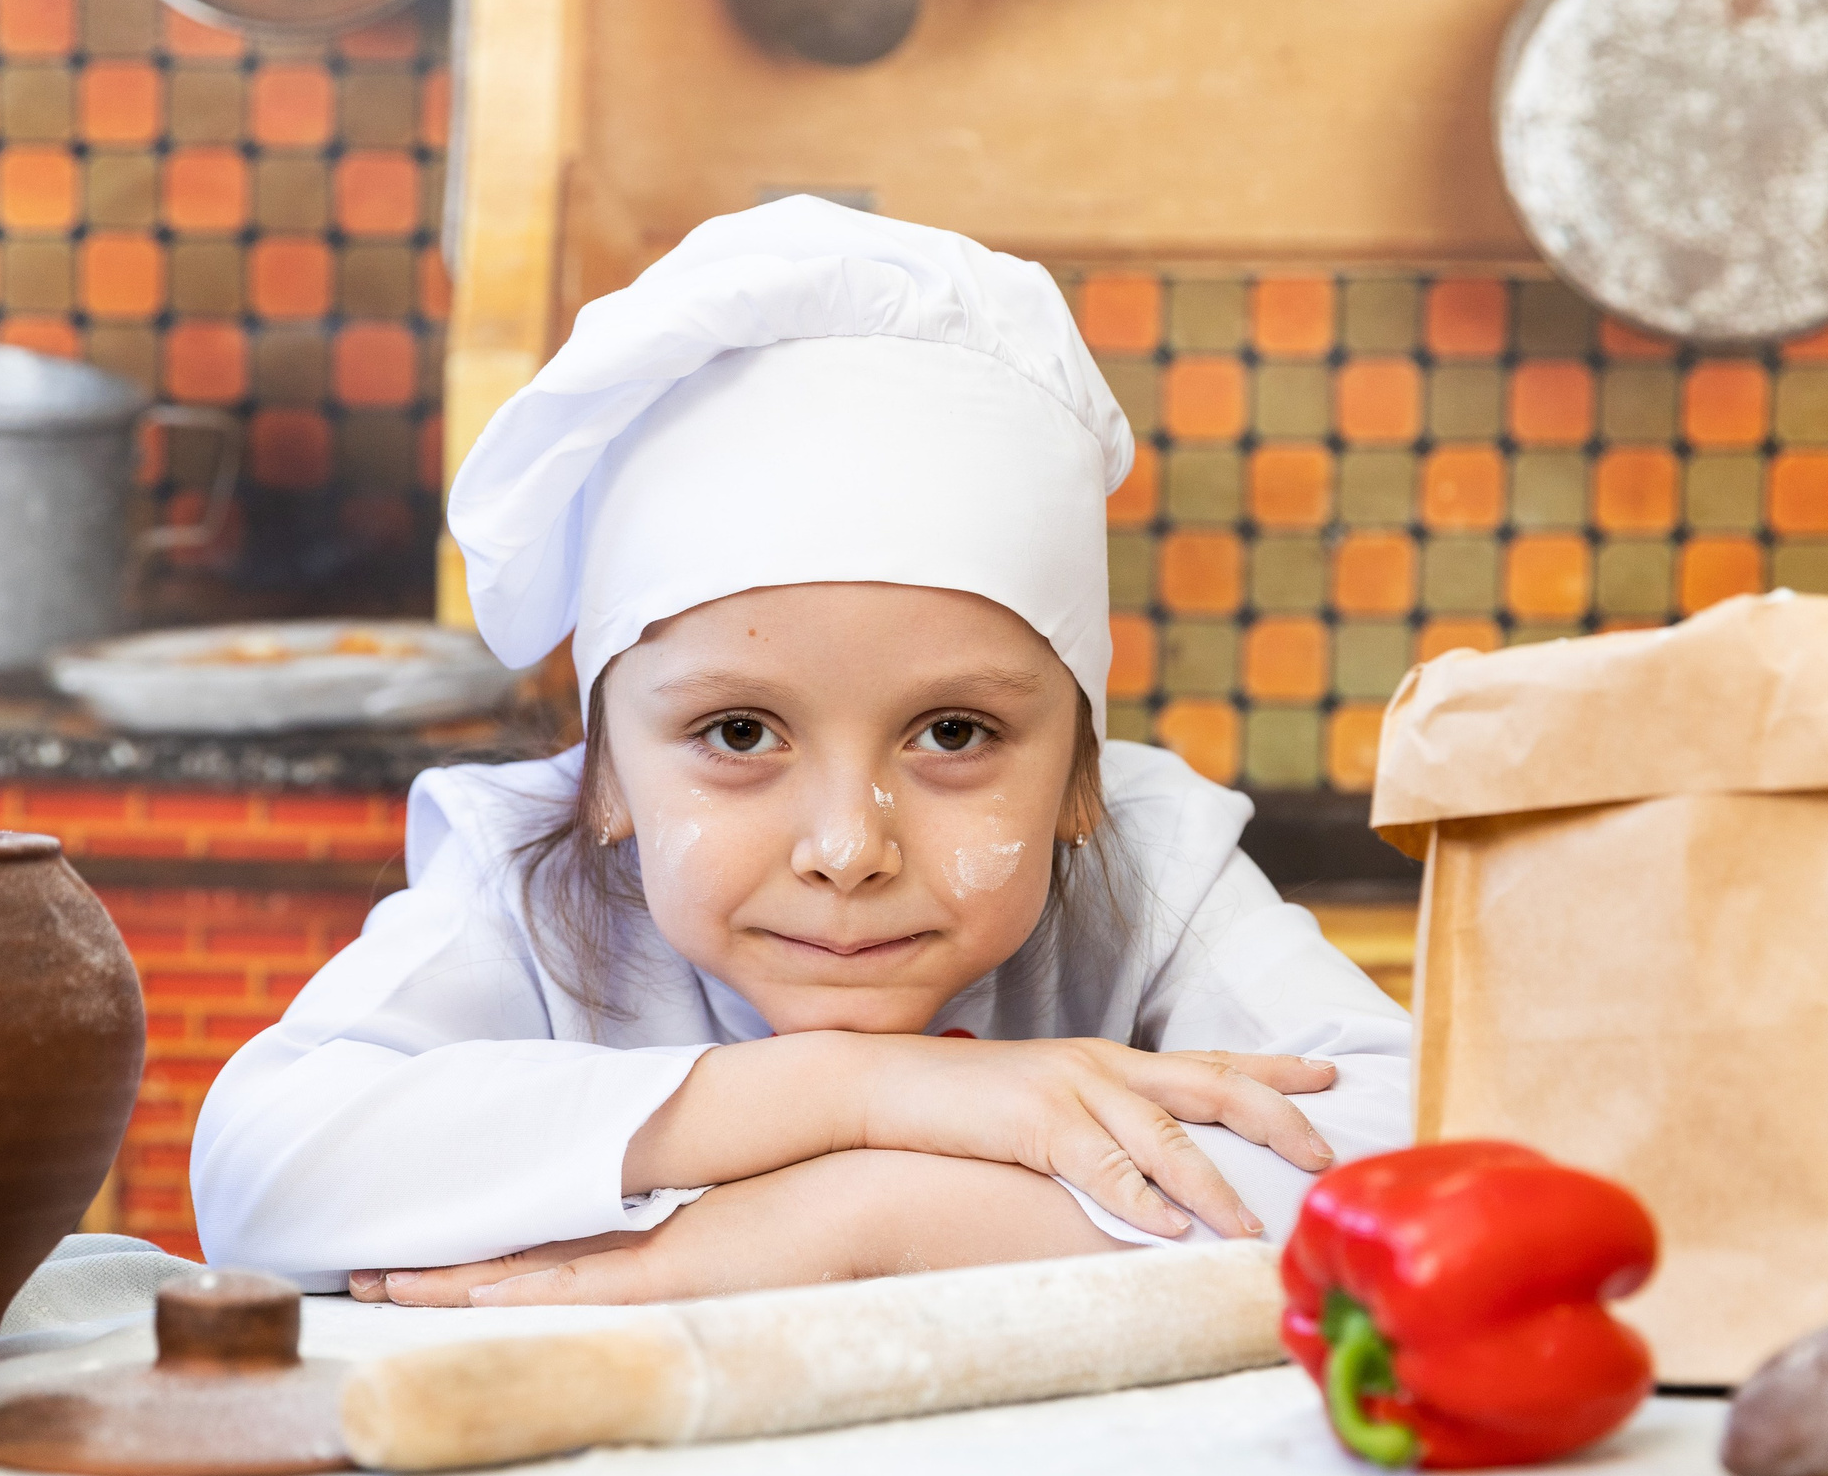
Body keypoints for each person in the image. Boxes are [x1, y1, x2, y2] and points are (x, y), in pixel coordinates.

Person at [191, 198, 1412, 1306]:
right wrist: (856, 1090)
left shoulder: (1151, 869)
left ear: (1080, 777)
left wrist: (858, 1215)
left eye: (953, 732)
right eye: (736, 732)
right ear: (604, 771)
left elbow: (1415, 1170)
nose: (846, 848)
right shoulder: (522, 885)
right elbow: (261, 1176)